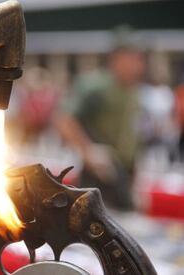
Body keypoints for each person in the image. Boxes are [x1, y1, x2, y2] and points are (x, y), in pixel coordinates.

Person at [57, 38, 146, 210]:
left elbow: (133, 137)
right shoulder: (97, 86)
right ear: (117, 59)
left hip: (124, 174)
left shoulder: (133, 92)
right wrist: (88, 151)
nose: (138, 65)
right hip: (100, 174)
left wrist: (135, 183)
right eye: (133, 58)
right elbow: (65, 119)